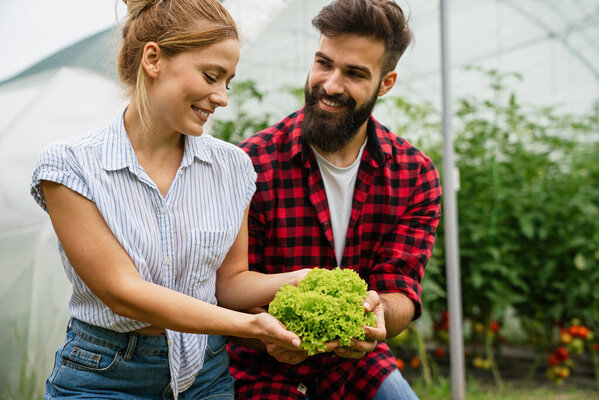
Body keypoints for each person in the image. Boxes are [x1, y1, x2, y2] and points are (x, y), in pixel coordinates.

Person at [30, 0, 310, 399]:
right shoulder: (71, 166)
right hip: (104, 375)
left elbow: (230, 283)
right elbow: (123, 292)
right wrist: (248, 326)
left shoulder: (233, 168)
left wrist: (302, 279)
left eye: (227, 82)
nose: (221, 97)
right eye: (211, 76)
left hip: (205, 374)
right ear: (153, 59)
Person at [227, 0, 442, 399]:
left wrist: (378, 317)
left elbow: (402, 287)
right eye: (324, 63)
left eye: (354, 73)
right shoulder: (250, 164)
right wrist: (271, 333)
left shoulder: (414, 175)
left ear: (386, 82)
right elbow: (227, 291)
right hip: (260, 365)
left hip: (356, 363)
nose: (330, 84)